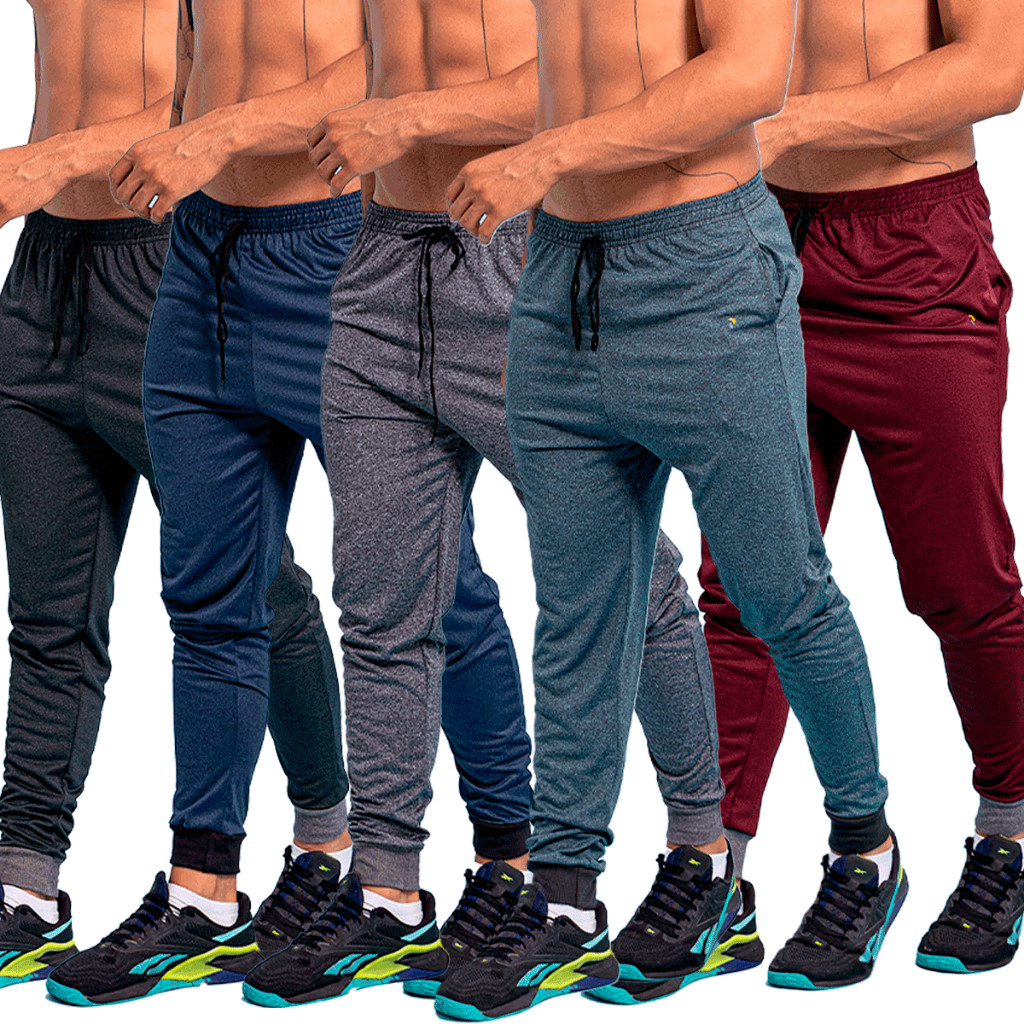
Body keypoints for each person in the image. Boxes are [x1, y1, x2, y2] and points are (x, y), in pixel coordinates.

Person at [241, 0, 747, 1010]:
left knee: (622, 577)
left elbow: (582, 79)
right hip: (380, 264)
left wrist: (408, 119)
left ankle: (704, 858)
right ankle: (387, 888)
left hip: (519, 256)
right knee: (381, 602)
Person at [41, 0, 530, 1005]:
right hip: (199, 256)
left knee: (433, 581)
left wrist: (218, 131)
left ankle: (507, 864)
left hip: (333, 248)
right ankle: (204, 889)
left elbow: (384, 65)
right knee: (210, 595)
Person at [438, 0, 907, 1012]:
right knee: (579, 615)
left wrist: (547, 153)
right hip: (559, 278)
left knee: (779, 591)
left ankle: (865, 849)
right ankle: (567, 906)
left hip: (703, 275)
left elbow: (748, 75)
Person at [698, 0, 1024, 977]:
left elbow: (996, 68)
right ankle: (715, 871)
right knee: (743, 588)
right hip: (753, 244)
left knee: (961, 582)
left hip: (911, 251)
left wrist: (789, 122)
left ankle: (1009, 832)